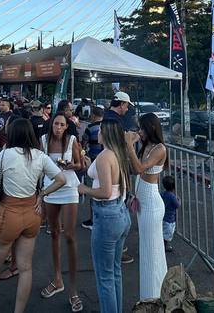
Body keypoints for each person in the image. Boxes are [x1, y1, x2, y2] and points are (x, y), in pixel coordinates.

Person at [0, 118, 67, 313]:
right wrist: (42, 194)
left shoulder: (6, 154)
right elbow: (61, 179)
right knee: (26, 268)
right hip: (32, 213)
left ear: (12, 134)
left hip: (8, 213)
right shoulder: (40, 156)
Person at [77, 121, 131, 313]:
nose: (97, 132)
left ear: (105, 134)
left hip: (107, 216)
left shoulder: (104, 156)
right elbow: (112, 183)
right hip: (120, 213)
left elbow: (105, 191)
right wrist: (89, 165)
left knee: (104, 277)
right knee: (114, 272)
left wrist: (84, 189)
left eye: (100, 130)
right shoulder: (117, 153)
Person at [39, 114, 85, 311]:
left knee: (70, 236)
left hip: (69, 189)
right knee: (54, 233)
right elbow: (39, 166)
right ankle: (58, 279)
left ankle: (74, 290)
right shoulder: (43, 140)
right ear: (52, 125)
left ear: (67, 127)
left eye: (62, 124)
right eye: (56, 124)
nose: (58, 127)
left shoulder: (72, 140)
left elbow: (80, 165)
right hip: (50, 189)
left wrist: (69, 165)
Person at [124, 112, 168, 300]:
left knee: (152, 252)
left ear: (150, 128)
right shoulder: (146, 146)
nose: (139, 131)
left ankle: (153, 297)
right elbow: (134, 168)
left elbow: (141, 168)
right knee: (148, 251)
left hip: (151, 204)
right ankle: (153, 295)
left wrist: (130, 145)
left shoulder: (160, 148)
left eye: (142, 128)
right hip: (143, 203)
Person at [80, 106, 105, 231]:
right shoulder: (107, 127)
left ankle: (93, 219)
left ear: (93, 115)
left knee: (93, 190)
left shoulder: (90, 128)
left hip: (93, 162)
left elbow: (83, 144)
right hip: (107, 162)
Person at [160, 175, 179, 253]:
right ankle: (163, 248)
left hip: (163, 217)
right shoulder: (172, 196)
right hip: (170, 219)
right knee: (167, 235)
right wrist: (179, 199)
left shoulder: (163, 194)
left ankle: (163, 246)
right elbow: (177, 205)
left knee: (163, 233)